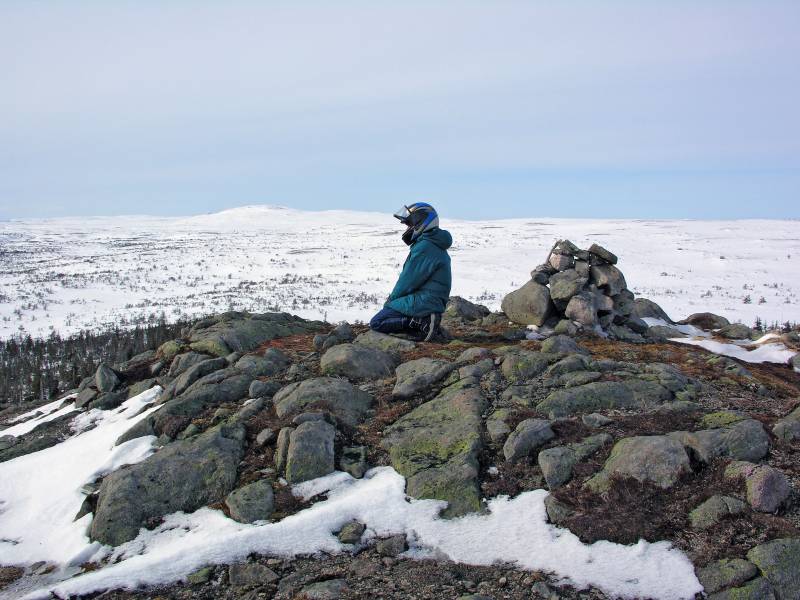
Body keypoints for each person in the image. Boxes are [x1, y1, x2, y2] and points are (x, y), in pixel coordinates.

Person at [369, 202, 452, 341]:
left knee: (377, 322)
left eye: (409, 224)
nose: (408, 228)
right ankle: (425, 323)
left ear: (421, 221)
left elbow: (408, 280)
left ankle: (423, 324)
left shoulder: (425, 246)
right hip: (428, 300)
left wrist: (391, 301)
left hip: (426, 301)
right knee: (386, 315)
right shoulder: (431, 243)